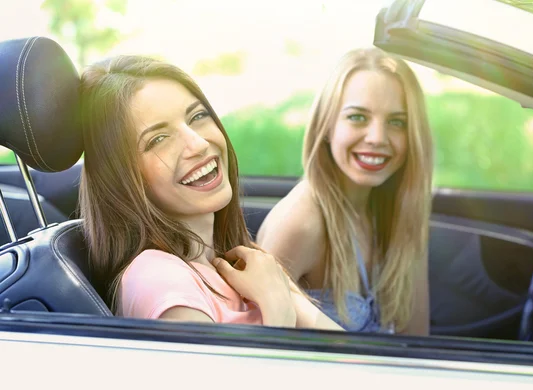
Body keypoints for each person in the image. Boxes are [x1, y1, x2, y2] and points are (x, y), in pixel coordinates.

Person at [78, 55, 342, 330]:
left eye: (197, 116)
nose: (199, 143)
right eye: (158, 139)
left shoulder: (240, 259)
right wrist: (277, 309)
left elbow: (354, 358)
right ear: (122, 179)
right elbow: (222, 375)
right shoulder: (158, 279)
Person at [257, 48, 433, 335]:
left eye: (397, 122)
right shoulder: (301, 222)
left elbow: (416, 342)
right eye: (358, 118)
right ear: (326, 126)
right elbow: (250, 348)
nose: (377, 138)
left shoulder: (405, 214)